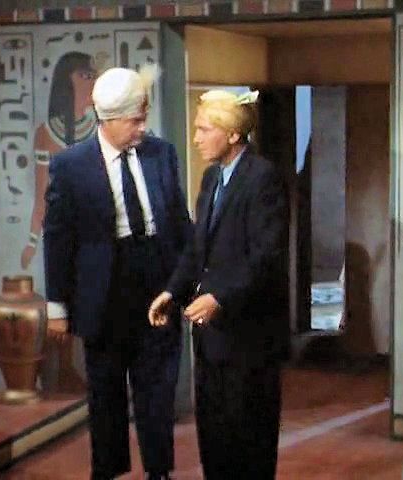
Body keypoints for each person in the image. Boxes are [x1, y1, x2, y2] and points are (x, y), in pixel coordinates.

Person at [44, 66, 191, 480]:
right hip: (103, 293)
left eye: (144, 118)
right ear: (106, 120)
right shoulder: (70, 166)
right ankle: (108, 472)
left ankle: (159, 471)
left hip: (157, 283)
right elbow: (57, 239)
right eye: (134, 121)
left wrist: (188, 281)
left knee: (157, 390)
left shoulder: (161, 153)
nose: (142, 128)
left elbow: (179, 222)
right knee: (105, 392)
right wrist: (57, 306)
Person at [149, 89, 289, 480]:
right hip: (212, 337)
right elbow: (198, 249)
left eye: (204, 129)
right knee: (215, 436)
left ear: (232, 134)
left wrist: (219, 298)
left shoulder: (262, 178)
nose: (196, 138)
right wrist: (172, 292)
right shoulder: (212, 177)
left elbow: (266, 256)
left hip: (249, 335)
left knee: (249, 439)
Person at [22, 51, 98, 269]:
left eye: (93, 76)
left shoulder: (101, 130)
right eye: (85, 76)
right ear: (67, 81)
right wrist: (32, 242)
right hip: (61, 235)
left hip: (97, 234)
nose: (93, 83)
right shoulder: (45, 134)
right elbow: (42, 197)